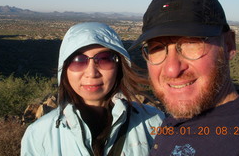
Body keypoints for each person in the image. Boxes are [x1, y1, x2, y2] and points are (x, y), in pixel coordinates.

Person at [130, 0, 239, 156]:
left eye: (191, 44)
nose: (172, 69)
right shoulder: (178, 117)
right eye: (157, 48)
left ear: (228, 45)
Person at [21, 22, 164, 156]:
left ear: (119, 66)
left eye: (104, 59)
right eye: (78, 60)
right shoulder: (38, 135)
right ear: (64, 69)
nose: (91, 73)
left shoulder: (154, 122)